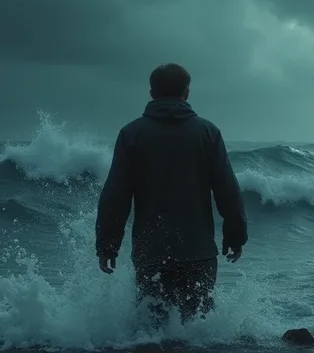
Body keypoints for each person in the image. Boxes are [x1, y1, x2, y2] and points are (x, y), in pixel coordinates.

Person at [95, 63, 248, 325]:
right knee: (198, 331)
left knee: (153, 328)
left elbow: (116, 194)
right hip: (198, 249)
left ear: (152, 92)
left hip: (150, 251)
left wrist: (108, 244)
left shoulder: (131, 134)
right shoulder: (207, 132)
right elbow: (227, 189)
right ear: (186, 93)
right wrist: (235, 234)